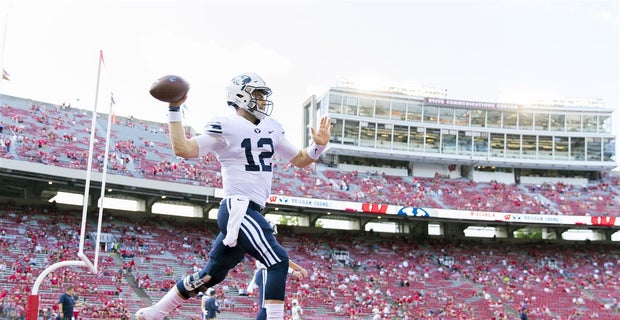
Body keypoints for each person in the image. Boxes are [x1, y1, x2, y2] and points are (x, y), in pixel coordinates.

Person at [136, 72, 332, 320]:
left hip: (250, 212)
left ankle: (155, 312)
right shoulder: (226, 125)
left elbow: (301, 160)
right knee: (278, 261)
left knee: (211, 275)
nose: (262, 101)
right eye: (258, 95)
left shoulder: (272, 127)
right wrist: (175, 108)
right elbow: (183, 148)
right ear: (241, 96)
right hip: (237, 207)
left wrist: (319, 146)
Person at [247, 221, 308, 320]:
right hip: (265, 271)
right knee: (265, 307)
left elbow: (281, 260)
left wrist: (296, 269)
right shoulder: (266, 243)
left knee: (266, 307)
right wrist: (295, 270)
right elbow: (280, 261)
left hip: (266, 272)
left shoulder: (263, 242)